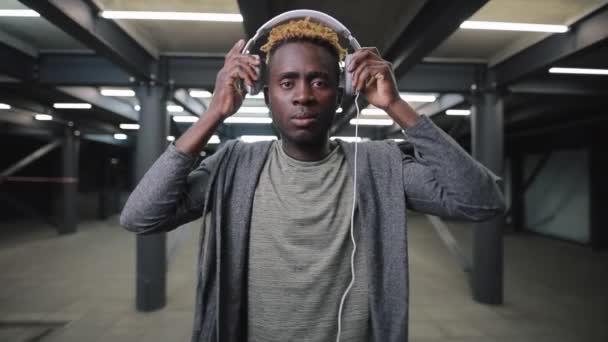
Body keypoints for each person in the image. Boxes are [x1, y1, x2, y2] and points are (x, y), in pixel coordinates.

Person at [121, 17, 505, 342]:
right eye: (287, 83)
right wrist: (211, 116)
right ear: (266, 96)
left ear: (342, 95)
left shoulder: (379, 166)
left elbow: (482, 201)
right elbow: (140, 217)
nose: (303, 95)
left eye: (318, 81)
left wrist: (397, 107)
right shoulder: (233, 165)